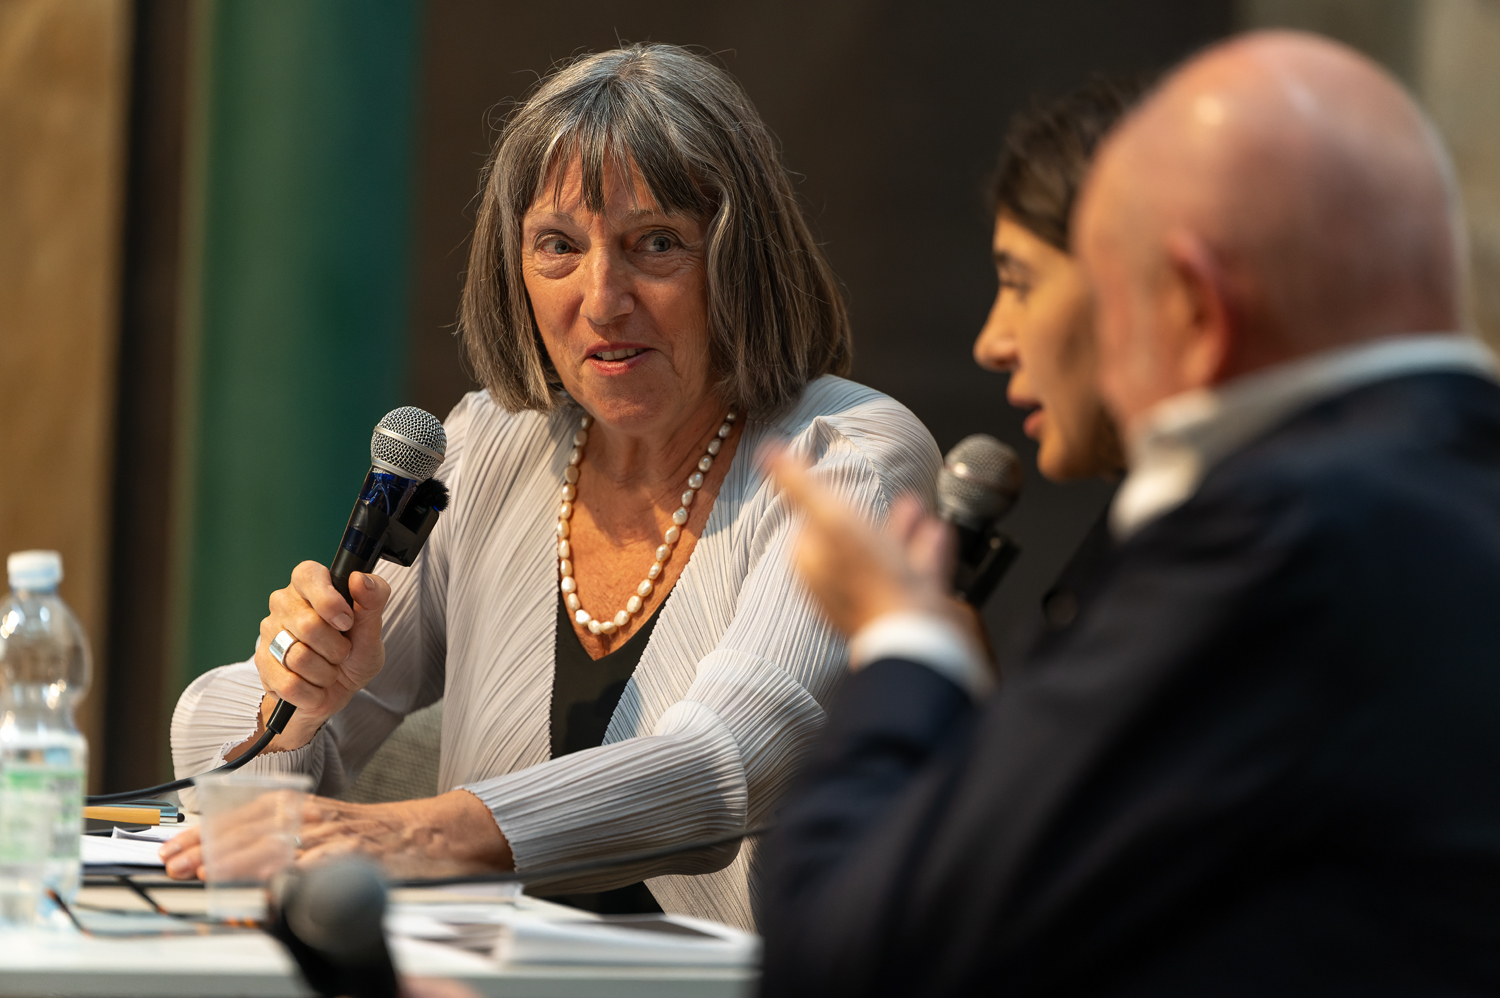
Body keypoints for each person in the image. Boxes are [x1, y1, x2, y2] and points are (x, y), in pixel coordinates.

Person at [758, 30, 1500, 995]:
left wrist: (905, 639)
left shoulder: (1272, 544)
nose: (991, 341)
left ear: (1194, 305)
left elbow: (851, 957)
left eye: (1039, 283)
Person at [162, 43, 940, 930]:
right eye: (558, 247)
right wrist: (293, 703)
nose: (603, 299)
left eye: (656, 245)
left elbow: (725, 764)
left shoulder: (849, 455)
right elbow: (254, 802)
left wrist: (422, 835)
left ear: (739, 258)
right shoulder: (489, 445)